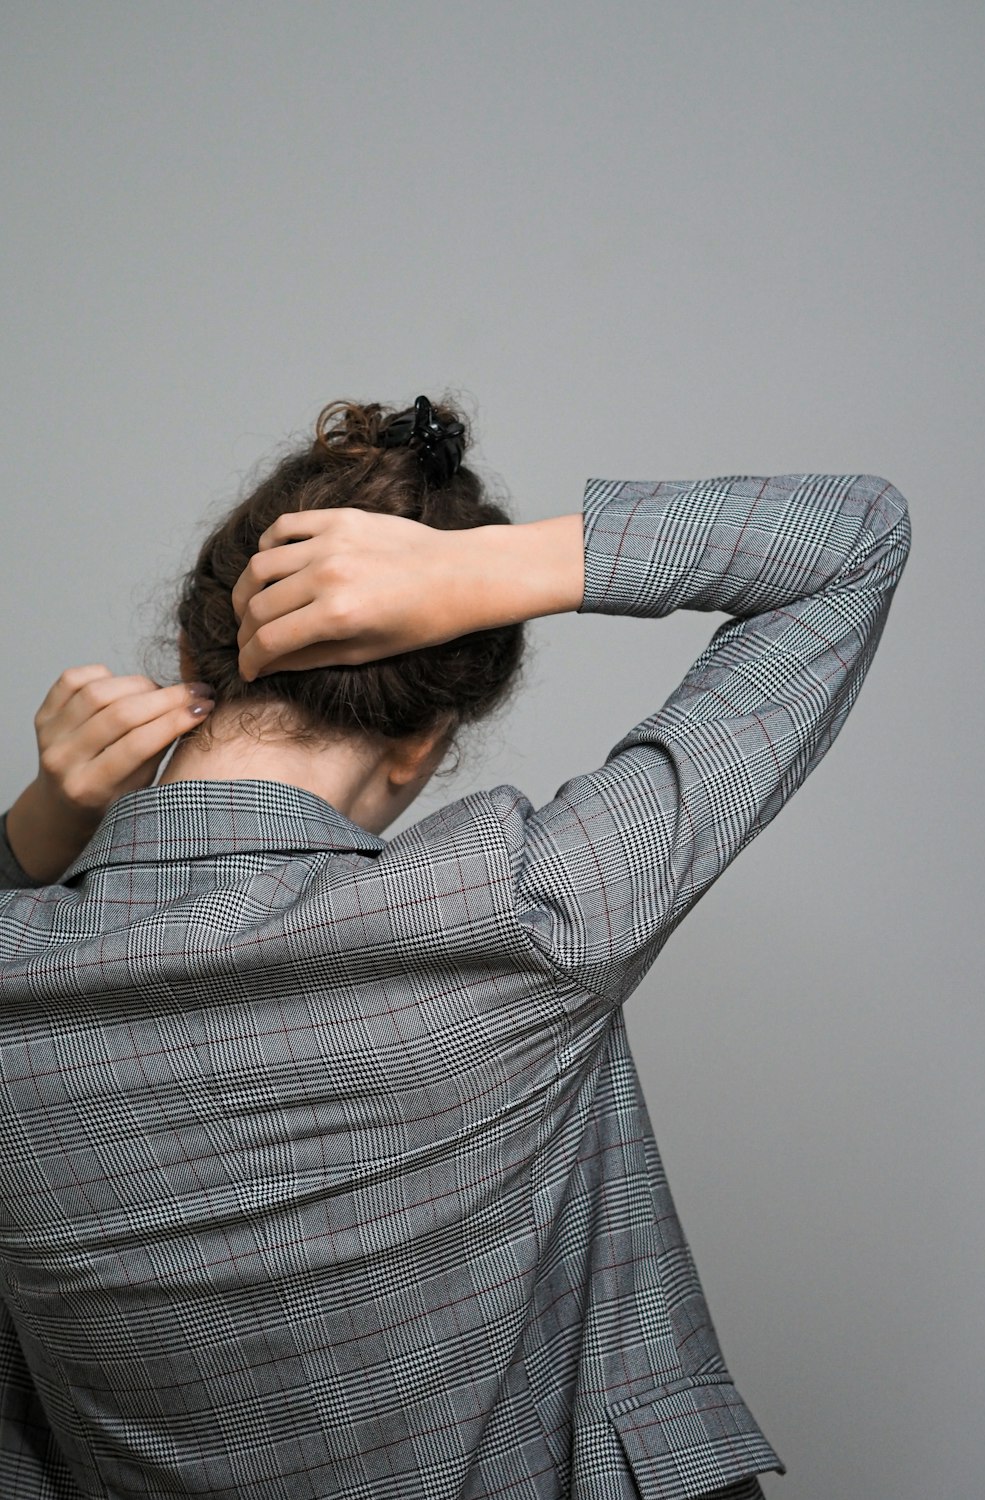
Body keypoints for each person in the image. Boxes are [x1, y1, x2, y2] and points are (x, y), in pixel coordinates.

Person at [0, 395, 912, 1500]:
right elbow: (851, 538)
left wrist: (34, 831)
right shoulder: (518, 910)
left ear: (196, 655)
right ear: (428, 738)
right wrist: (493, 573)